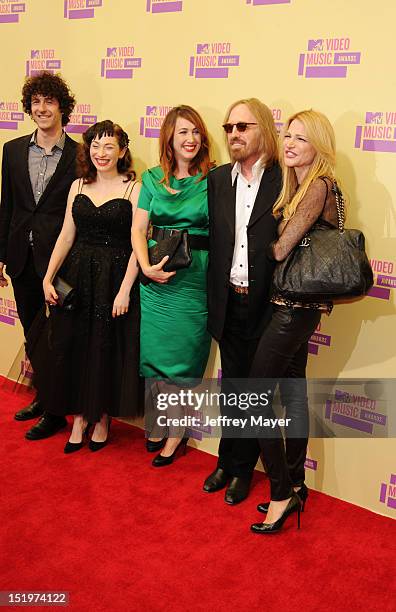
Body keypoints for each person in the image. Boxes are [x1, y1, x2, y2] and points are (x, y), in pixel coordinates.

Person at [249, 109, 339, 534]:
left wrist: (260, 248)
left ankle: (281, 493)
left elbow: (282, 250)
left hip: (293, 309)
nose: (289, 144)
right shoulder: (304, 186)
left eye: (300, 139)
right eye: (288, 136)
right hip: (298, 307)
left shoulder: (317, 187)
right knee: (293, 392)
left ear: (317, 147)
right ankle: (297, 484)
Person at [29, 120, 143, 452]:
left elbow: (140, 242)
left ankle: (103, 416)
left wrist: (124, 289)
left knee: (107, 347)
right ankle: (79, 415)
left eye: (109, 146)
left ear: (122, 150)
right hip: (78, 275)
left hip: (115, 277)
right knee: (75, 346)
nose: (101, 152)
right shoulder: (78, 184)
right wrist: (48, 277)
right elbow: (67, 234)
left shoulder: (133, 188)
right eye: (95, 145)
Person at [203, 98, 282, 504]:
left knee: (254, 391)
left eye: (243, 127)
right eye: (229, 127)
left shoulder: (284, 179)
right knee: (233, 388)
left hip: (268, 305)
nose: (234, 134)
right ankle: (226, 461)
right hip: (228, 301)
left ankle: (242, 471)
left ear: (263, 129)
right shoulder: (218, 179)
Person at [132, 105, 212, 466]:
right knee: (156, 357)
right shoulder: (150, 179)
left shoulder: (214, 179)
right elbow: (137, 229)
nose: (190, 139)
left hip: (194, 278)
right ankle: (157, 422)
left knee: (182, 361)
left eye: (195, 132)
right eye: (182, 132)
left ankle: (176, 433)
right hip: (155, 274)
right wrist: (146, 267)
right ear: (169, 136)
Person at [0, 71, 77, 439]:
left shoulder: (80, 154)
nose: (42, 108)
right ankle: (43, 397)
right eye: (36, 102)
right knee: (32, 333)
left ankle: (56, 409)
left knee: (56, 336)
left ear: (63, 107)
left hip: (60, 262)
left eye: (50, 101)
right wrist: (2, 254)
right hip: (20, 257)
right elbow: (8, 206)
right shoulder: (12, 150)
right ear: (29, 108)